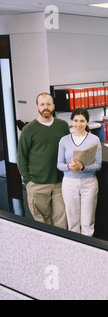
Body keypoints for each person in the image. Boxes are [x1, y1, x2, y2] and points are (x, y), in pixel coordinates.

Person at [17, 92, 70, 228]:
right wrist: (28, 181)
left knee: (62, 222)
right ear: (37, 107)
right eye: (42, 104)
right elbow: (21, 157)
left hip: (59, 182)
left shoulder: (62, 125)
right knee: (42, 223)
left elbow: (68, 149)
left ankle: (60, 248)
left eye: (48, 104)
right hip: (37, 184)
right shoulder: (28, 130)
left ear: (53, 106)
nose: (45, 107)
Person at [57, 108, 102, 236]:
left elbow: (98, 165)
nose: (78, 124)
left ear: (87, 122)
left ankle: (87, 249)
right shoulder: (64, 140)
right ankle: (74, 249)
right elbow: (59, 164)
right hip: (69, 182)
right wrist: (68, 166)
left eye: (82, 121)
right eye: (76, 120)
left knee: (88, 221)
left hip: (89, 182)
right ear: (71, 121)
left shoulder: (94, 139)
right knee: (72, 221)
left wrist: (83, 167)